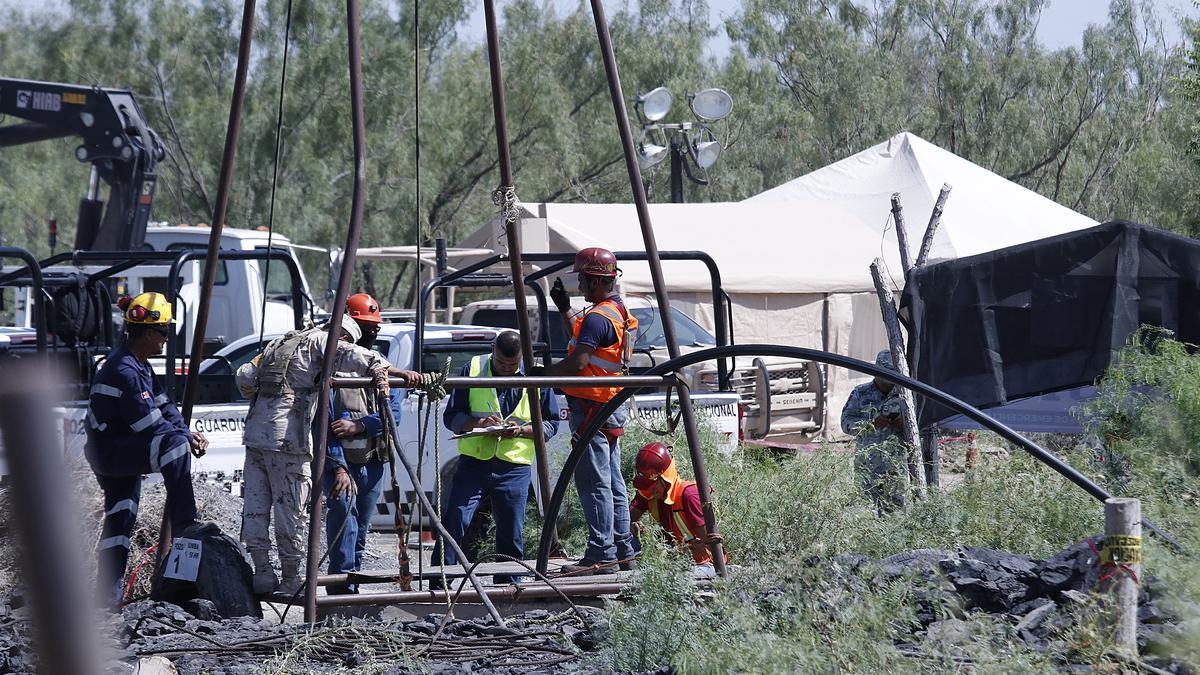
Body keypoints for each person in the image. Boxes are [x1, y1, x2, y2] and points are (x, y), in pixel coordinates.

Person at [236, 306, 421, 595]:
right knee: (291, 511)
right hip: (287, 440)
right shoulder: (322, 343)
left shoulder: (281, 342)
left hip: (256, 437)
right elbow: (361, 358)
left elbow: (245, 378)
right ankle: (291, 578)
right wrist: (392, 371)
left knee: (256, 510)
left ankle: (262, 572)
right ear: (344, 336)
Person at [86, 292, 209, 607]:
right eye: (164, 332)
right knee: (176, 447)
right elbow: (149, 424)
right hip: (112, 452)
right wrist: (185, 438)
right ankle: (185, 522)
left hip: (115, 451)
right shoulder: (124, 369)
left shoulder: (137, 364)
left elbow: (165, 407)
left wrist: (187, 431)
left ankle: (106, 599)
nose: (167, 339)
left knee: (120, 520)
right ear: (146, 332)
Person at [537, 247, 639, 575]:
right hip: (608, 406)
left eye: (582, 279)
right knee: (612, 482)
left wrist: (543, 374)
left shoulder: (598, 317)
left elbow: (580, 361)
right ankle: (623, 550)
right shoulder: (616, 311)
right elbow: (587, 341)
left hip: (593, 407)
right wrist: (565, 308)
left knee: (594, 483)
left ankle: (601, 554)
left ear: (596, 280)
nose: (579, 285)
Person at [434, 331, 560, 584]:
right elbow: (452, 416)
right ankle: (439, 581)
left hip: (514, 466)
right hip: (473, 464)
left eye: (512, 366)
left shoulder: (535, 375)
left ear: (522, 356)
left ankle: (509, 585)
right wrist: (476, 423)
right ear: (493, 350)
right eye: (502, 363)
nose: (506, 369)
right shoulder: (474, 367)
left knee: (511, 530)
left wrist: (521, 430)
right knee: (455, 518)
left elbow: (551, 423)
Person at [322, 293, 401, 595]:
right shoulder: (331, 368)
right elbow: (324, 422)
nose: (371, 333)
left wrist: (361, 425)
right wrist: (337, 465)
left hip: (373, 459)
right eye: (365, 326)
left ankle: (352, 584)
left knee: (361, 526)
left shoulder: (379, 367)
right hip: (342, 461)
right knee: (344, 519)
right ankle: (339, 589)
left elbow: (392, 414)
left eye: (374, 327)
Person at [629, 442, 724, 570]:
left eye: (652, 486)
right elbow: (626, 519)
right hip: (670, 566)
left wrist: (687, 547)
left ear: (665, 478)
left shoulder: (689, 495)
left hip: (702, 565)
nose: (649, 491)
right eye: (645, 486)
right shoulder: (647, 493)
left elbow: (710, 542)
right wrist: (638, 530)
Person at [840, 349, 908, 512]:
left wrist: (904, 425)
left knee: (895, 513)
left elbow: (920, 425)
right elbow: (846, 423)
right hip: (867, 468)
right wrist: (871, 424)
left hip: (895, 468)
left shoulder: (904, 395)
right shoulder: (860, 393)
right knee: (866, 513)